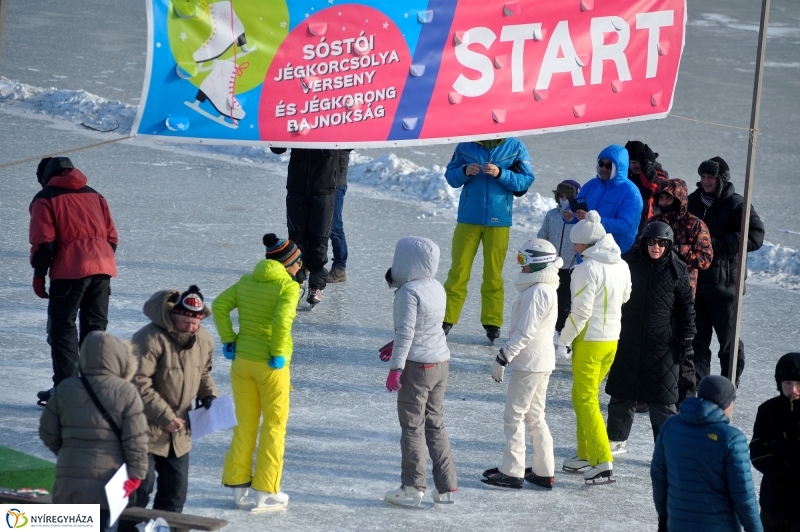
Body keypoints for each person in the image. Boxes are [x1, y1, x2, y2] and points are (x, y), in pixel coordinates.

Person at [213, 234, 302, 512]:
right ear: (289, 263)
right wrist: (277, 352)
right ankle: (265, 489)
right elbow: (282, 319)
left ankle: (238, 484)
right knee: (274, 425)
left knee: (245, 423)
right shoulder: (287, 287)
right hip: (271, 366)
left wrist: (229, 340)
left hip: (242, 363)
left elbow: (218, 305)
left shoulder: (246, 281)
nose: (300, 266)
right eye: (298, 262)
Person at [29, 156, 118, 406]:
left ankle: (67, 391)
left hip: (70, 270)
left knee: (62, 328)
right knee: (95, 328)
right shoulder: (96, 195)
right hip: (103, 268)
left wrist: (39, 275)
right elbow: (111, 236)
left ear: (45, 177)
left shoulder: (45, 197)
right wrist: (100, 262)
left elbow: (43, 241)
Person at [39, 331, 148, 532]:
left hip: (68, 482)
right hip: (108, 485)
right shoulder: (126, 391)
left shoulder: (65, 388)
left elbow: (47, 432)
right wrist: (136, 475)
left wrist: (69, 453)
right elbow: (136, 440)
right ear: (118, 358)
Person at [605, 222, 696, 454]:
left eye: (662, 243)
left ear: (668, 245)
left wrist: (686, 338)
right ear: (644, 242)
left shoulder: (677, 270)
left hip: (662, 344)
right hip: (628, 339)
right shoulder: (628, 263)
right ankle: (616, 439)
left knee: (663, 400)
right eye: (652, 242)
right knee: (622, 394)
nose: (656, 247)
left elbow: (686, 307)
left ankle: (666, 447)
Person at [557, 211, 631, 484]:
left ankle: (602, 460)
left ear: (588, 244)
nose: (574, 248)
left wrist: (563, 340)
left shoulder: (586, 269)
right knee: (582, 397)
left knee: (586, 400)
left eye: (577, 244)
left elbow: (580, 312)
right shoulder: (621, 264)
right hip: (612, 340)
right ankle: (585, 454)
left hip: (589, 342)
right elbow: (626, 296)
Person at [383, 237, 457, 507]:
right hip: (440, 363)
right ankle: (446, 488)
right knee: (435, 424)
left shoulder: (407, 292)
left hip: (418, 368)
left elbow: (407, 332)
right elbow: (427, 326)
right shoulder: (436, 287)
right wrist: (395, 345)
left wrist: (396, 367)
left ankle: (413, 488)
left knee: (412, 427)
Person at [130, 285, 218, 513]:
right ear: (173, 316)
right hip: (144, 429)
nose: (191, 328)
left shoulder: (204, 339)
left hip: (179, 431)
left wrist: (209, 395)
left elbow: (203, 373)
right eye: (186, 322)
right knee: (140, 490)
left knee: (175, 493)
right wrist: (164, 416)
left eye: (196, 323)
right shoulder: (148, 338)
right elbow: (137, 382)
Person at [482, 239, 561, 490]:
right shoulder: (544, 287)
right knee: (535, 416)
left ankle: (512, 470)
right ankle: (543, 470)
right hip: (542, 361)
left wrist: (503, 356)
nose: (520, 266)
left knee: (514, 416)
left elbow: (524, 332)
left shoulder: (538, 291)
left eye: (522, 260)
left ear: (537, 263)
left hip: (529, 363)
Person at [442, 138, 535, 342]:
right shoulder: (465, 145)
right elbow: (451, 177)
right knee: (458, 271)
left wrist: (501, 173)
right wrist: (464, 171)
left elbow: (526, 181)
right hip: (468, 219)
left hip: (499, 221)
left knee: (493, 273)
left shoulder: (515, 147)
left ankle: (492, 322)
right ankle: (446, 319)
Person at [687, 156, 765, 385]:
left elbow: (755, 236)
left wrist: (714, 244)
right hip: (696, 288)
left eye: (710, 176)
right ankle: (697, 392)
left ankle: (727, 390)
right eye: (702, 176)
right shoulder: (693, 202)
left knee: (729, 346)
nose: (705, 181)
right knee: (696, 345)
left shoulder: (737, 204)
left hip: (725, 290)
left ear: (721, 179)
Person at [651, 375, 762, 532]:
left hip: (677, 523)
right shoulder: (731, 438)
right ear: (727, 403)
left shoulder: (671, 425)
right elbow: (743, 495)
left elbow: (659, 476)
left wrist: (664, 515)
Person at [270, 147, 344, 307]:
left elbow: (349, 141)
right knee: (296, 241)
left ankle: (316, 285)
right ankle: (296, 283)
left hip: (324, 188)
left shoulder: (331, 121)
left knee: (319, 241)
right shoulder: (294, 120)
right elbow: (277, 148)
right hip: (297, 186)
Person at [750, 352, 800, 531]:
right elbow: (757, 452)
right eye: (788, 383)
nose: (793, 390)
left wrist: (777, 446)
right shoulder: (768, 411)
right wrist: (787, 469)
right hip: (772, 503)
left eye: (798, 384)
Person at [564, 145, 642, 254]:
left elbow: (626, 226)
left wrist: (595, 220)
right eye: (601, 164)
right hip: (586, 251)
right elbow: (576, 208)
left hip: (613, 254)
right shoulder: (591, 185)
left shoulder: (630, 193)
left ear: (619, 167)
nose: (604, 169)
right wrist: (570, 216)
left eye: (609, 166)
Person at [649, 178, 713, 298]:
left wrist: (673, 250)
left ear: (679, 200)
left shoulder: (694, 224)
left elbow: (705, 259)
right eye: (661, 198)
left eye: (668, 198)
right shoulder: (654, 222)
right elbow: (639, 246)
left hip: (681, 291)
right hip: (653, 288)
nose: (663, 202)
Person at [537, 180, 581, 332]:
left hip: (571, 266)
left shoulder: (579, 218)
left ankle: (563, 332)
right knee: (549, 299)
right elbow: (543, 234)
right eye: (561, 196)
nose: (564, 199)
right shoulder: (552, 215)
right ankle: (547, 330)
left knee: (566, 302)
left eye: (568, 196)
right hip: (551, 265)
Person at [624, 141, 669, 234]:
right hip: (628, 223)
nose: (632, 166)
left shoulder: (657, 172)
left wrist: (647, 164)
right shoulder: (625, 173)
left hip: (650, 224)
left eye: (635, 163)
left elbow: (653, 187)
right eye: (630, 163)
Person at [327, 150, 350, 283]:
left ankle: (340, 267)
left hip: (337, 182)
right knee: (314, 223)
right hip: (318, 180)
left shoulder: (344, 130)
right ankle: (309, 262)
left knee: (334, 226)